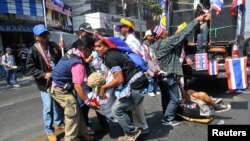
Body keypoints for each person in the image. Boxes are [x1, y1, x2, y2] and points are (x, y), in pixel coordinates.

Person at [152, 14, 207, 126]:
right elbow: (183, 34)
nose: (167, 32)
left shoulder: (155, 45)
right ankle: (168, 118)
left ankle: (165, 117)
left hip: (161, 77)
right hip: (168, 75)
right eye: (164, 31)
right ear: (161, 35)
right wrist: (196, 20)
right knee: (175, 99)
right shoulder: (166, 43)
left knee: (165, 97)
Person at [94, 38, 149, 140]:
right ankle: (131, 133)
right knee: (126, 109)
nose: (96, 49)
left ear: (107, 46)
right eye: (95, 46)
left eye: (99, 46)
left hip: (137, 84)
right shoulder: (113, 53)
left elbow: (119, 79)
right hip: (138, 81)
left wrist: (104, 87)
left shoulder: (110, 58)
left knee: (117, 110)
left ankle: (133, 132)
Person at [50, 40, 97, 141]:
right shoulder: (77, 63)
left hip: (59, 85)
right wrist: (88, 101)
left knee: (77, 110)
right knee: (72, 112)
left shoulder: (73, 52)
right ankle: (70, 139)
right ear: (84, 49)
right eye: (91, 50)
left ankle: (82, 133)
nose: (92, 53)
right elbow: (78, 86)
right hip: (60, 89)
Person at [26, 24, 64, 141]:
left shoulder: (53, 45)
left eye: (45, 34)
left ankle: (58, 122)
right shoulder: (33, 50)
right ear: (36, 37)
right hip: (44, 83)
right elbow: (30, 68)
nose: (44, 37)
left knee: (58, 103)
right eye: (41, 35)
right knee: (48, 107)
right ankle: (49, 130)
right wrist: (43, 74)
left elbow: (61, 59)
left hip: (56, 80)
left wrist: (62, 48)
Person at [72, 23, 109, 135]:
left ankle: (104, 125)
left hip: (95, 76)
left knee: (98, 100)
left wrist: (92, 55)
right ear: (81, 32)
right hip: (82, 77)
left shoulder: (92, 41)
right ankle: (85, 127)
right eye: (86, 33)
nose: (88, 35)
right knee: (83, 103)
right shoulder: (74, 45)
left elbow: (99, 48)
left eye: (89, 33)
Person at [118, 18, 150, 134]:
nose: (120, 28)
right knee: (134, 103)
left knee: (136, 103)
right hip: (134, 74)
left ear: (127, 28)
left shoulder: (131, 41)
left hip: (136, 74)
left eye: (122, 27)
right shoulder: (128, 39)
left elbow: (136, 58)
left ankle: (143, 126)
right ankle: (139, 125)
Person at [142, 30, 160, 97]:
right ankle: (150, 90)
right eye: (151, 35)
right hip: (148, 61)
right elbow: (145, 55)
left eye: (153, 35)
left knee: (156, 76)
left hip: (154, 61)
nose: (153, 37)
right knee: (150, 77)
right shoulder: (144, 44)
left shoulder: (153, 43)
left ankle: (155, 89)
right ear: (147, 36)